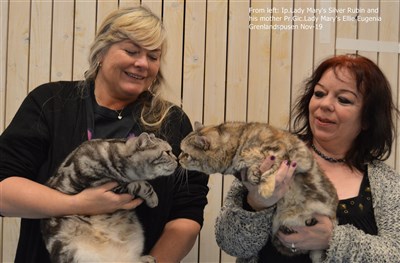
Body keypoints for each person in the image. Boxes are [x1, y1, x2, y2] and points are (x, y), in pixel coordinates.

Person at [0, 6, 209, 263]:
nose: (142, 63)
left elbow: (187, 212)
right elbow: (3, 189)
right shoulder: (50, 104)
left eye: (153, 56)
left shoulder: (172, 122)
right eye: (131, 51)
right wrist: (78, 205)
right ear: (101, 52)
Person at [215, 54, 400, 262]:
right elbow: (230, 243)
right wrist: (257, 203)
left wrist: (334, 239)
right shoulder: (271, 155)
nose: (325, 104)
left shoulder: (387, 184)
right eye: (319, 93)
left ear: (367, 118)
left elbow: (394, 255)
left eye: (343, 99)